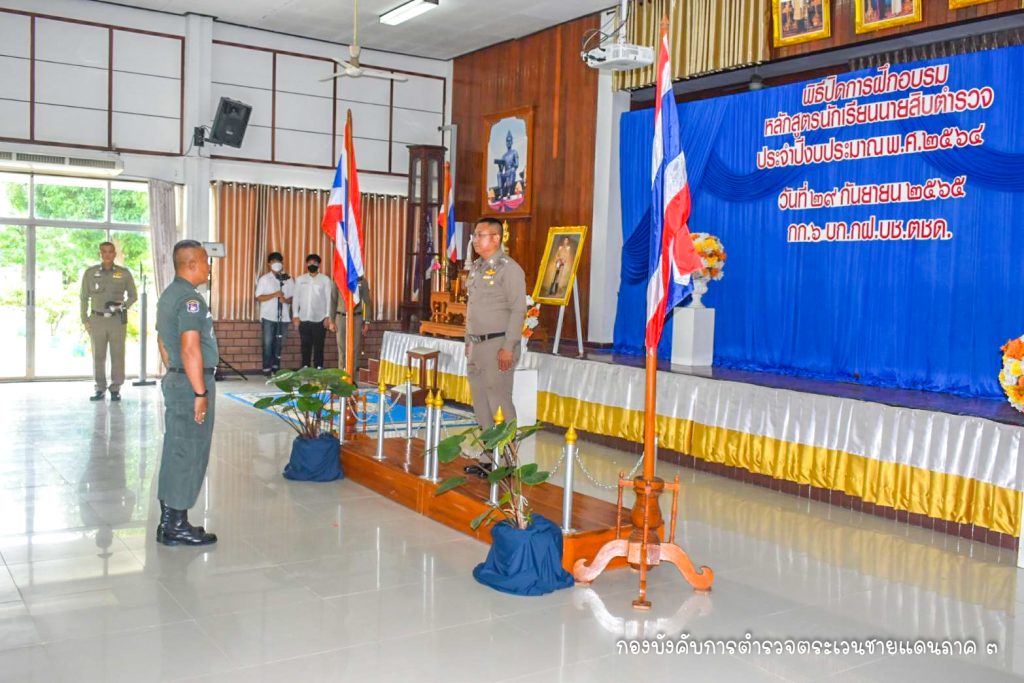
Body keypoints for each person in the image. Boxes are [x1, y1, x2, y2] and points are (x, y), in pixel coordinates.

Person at [154, 240, 218, 546]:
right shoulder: (191, 299)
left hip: (179, 379)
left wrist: (175, 371)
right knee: (188, 452)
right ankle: (176, 525)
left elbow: (163, 342)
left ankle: (169, 520)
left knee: (176, 448)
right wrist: (199, 391)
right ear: (191, 264)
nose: (209, 267)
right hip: (191, 384)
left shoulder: (170, 294)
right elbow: (190, 348)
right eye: (206, 261)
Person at [464, 217, 526, 475]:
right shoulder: (477, 268)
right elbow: (472, 309)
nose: (475, 241)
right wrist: (468, 340)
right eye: (475, 236)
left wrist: (509, 346)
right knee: (481, 403)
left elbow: (518, 309)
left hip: (498, 343)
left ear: (496, 238)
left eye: (481, 235)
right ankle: (490, 457)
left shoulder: (509, 269)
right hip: (477, 345)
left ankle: (508, 459)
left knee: (499, 400)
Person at [80, 241, 137, 401]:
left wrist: (122, 306)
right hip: (97, 320)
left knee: (117, 355)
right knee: (98, 356)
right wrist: (84, 319)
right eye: (103, 251)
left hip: (117, 321)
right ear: (100, 254)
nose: (107, 254)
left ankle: (115, 388)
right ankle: (100, 388)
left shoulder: (124, 273)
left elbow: (133, 295)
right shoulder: (90, 273)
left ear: (114, 254)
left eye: (110, 251)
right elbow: (83, 297)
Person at [292, 253, 335, 369]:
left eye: (315, 263)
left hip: (320, 319)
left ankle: (318, 367)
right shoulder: (300, 279)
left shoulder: (325, 280)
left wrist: (328, 316)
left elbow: (329, 299)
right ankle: (305, 367)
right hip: (303, 318)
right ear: (306, 264)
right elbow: (296, 298)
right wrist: (295, 315)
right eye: (310, 262)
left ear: (319, 265)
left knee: (319, 345)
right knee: (305, 345)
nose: (312, 265)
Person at [254, 251, 294, 375]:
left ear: (282, 263)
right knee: (268, 343)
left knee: (280, 343)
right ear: (269, 264)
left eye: (278, 261)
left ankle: (276, 368)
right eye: (273, 261)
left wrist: (285, 300)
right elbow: (258, 297)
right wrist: (274, 295)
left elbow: (294, 298)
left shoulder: (288, 279)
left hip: (284, 317)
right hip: (268, 316)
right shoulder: (264, 279)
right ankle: (267, 368)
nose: (276, 263)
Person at [334, 276, 372, 377]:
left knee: (355, 349)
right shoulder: (339, 277)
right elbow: (333, 300)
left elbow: (367, 302)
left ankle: (352, 377)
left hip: (356, 318)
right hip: (341, 317)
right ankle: (341, 377)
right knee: (342, 349)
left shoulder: (362, 281)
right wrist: (331, 320)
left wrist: (367, 321)